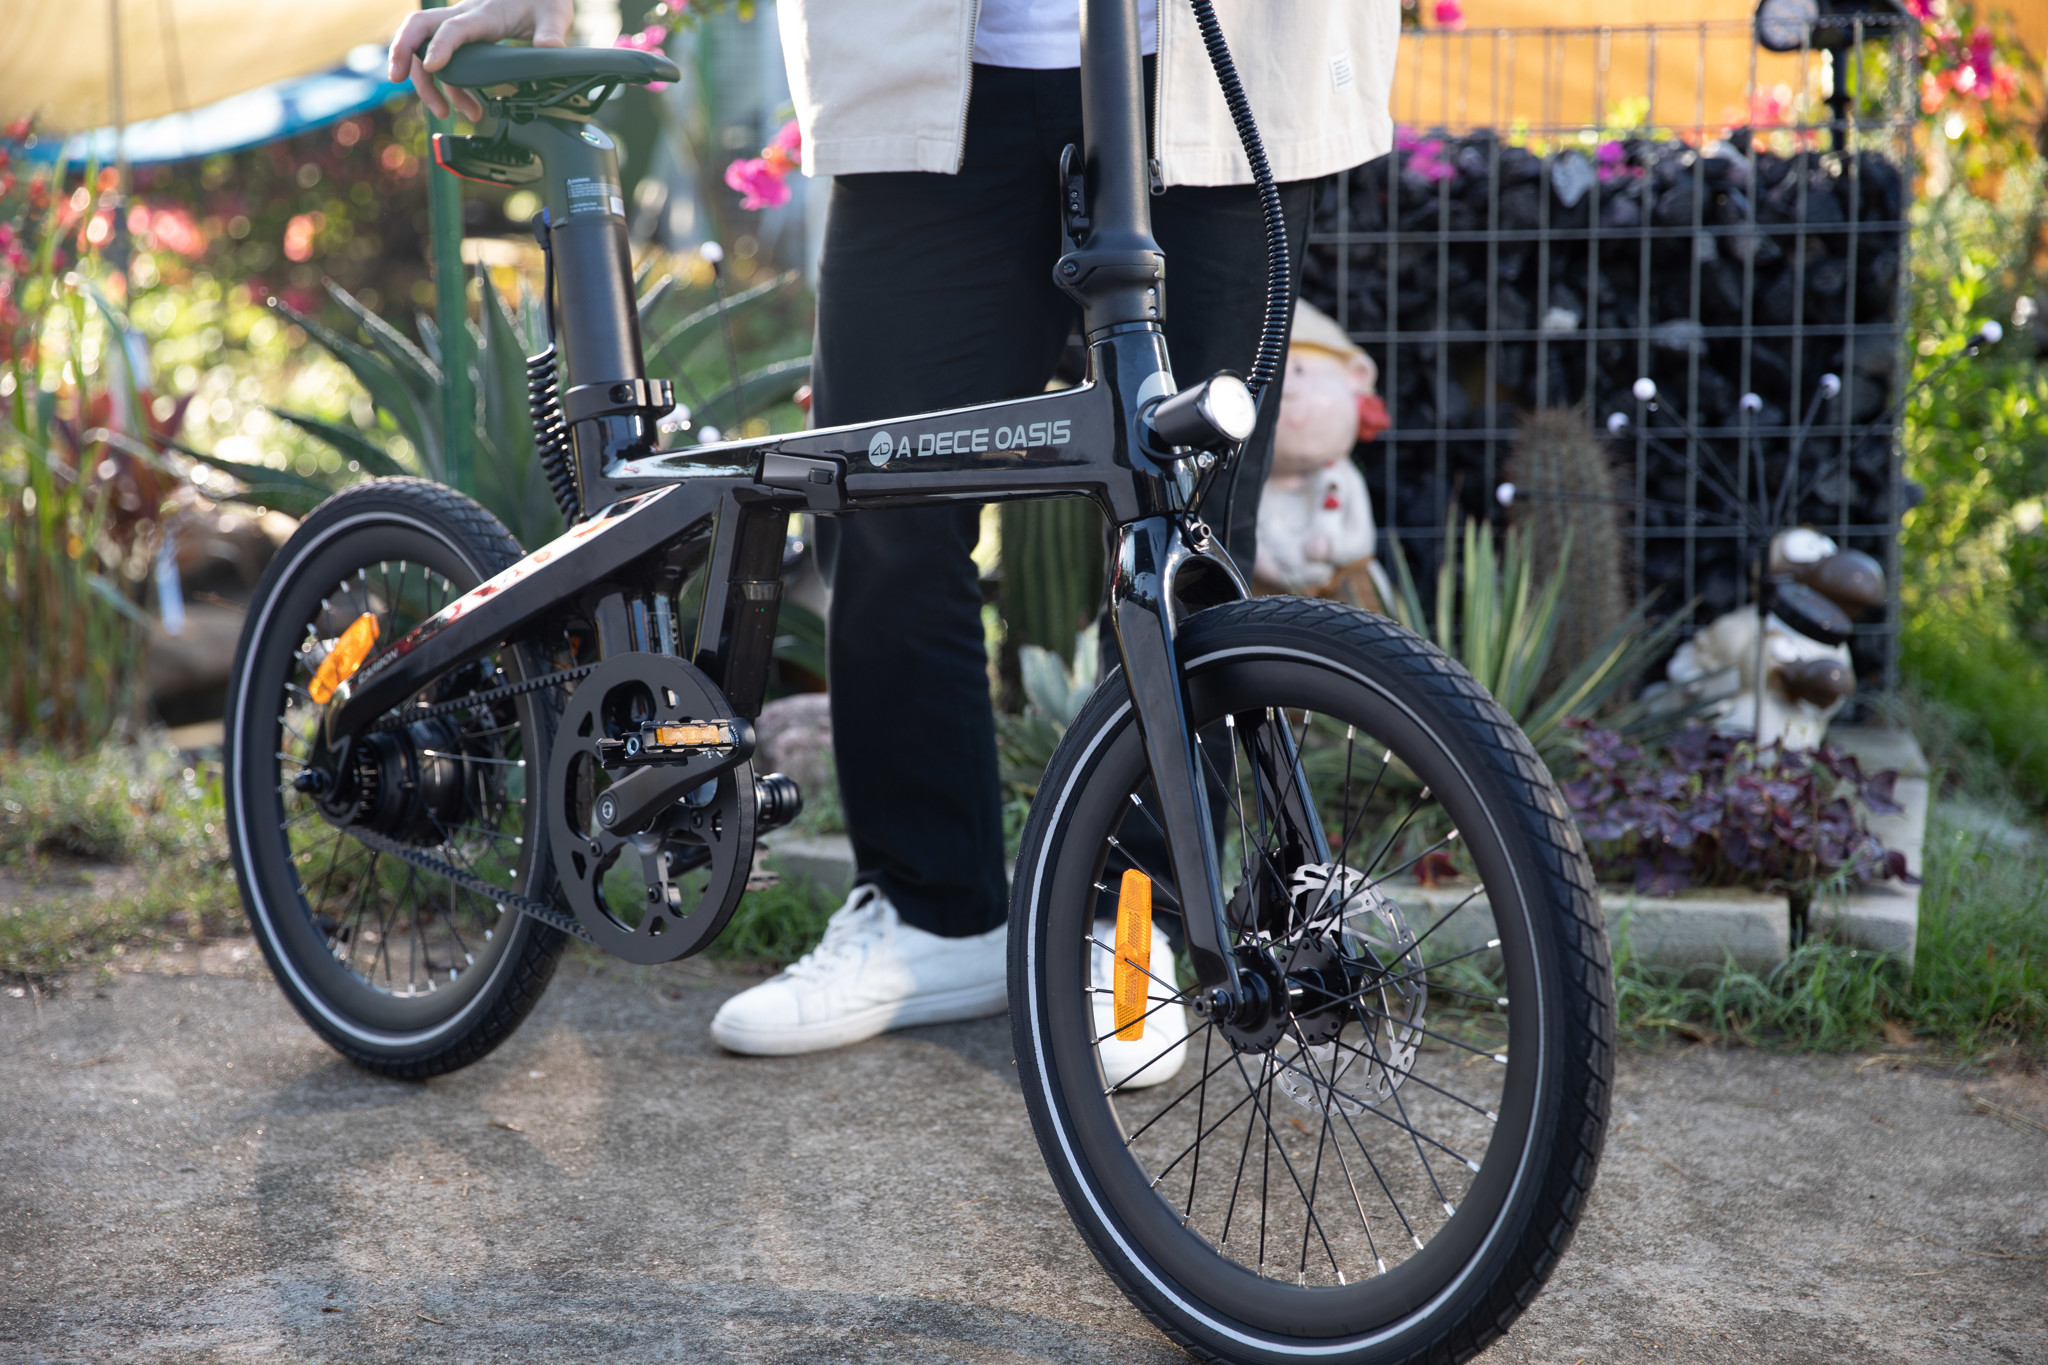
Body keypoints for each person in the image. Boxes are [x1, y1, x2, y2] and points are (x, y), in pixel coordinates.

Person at [390, 0, 1399, 1063]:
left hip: (1210, 75)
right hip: (936, 74)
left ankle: (1131, 930)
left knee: (1183, 526)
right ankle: (931, 914)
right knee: (876, 508)